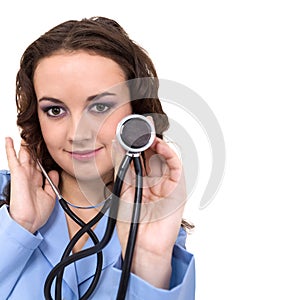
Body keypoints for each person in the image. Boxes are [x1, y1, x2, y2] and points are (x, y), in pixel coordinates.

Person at [0, 16, 195, 299]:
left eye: (101, 106)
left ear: (136, 113)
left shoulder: (154, 225)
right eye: (55, 110)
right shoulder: (8, 207)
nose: (78, 134)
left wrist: (147, 257)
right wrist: (17, 228)